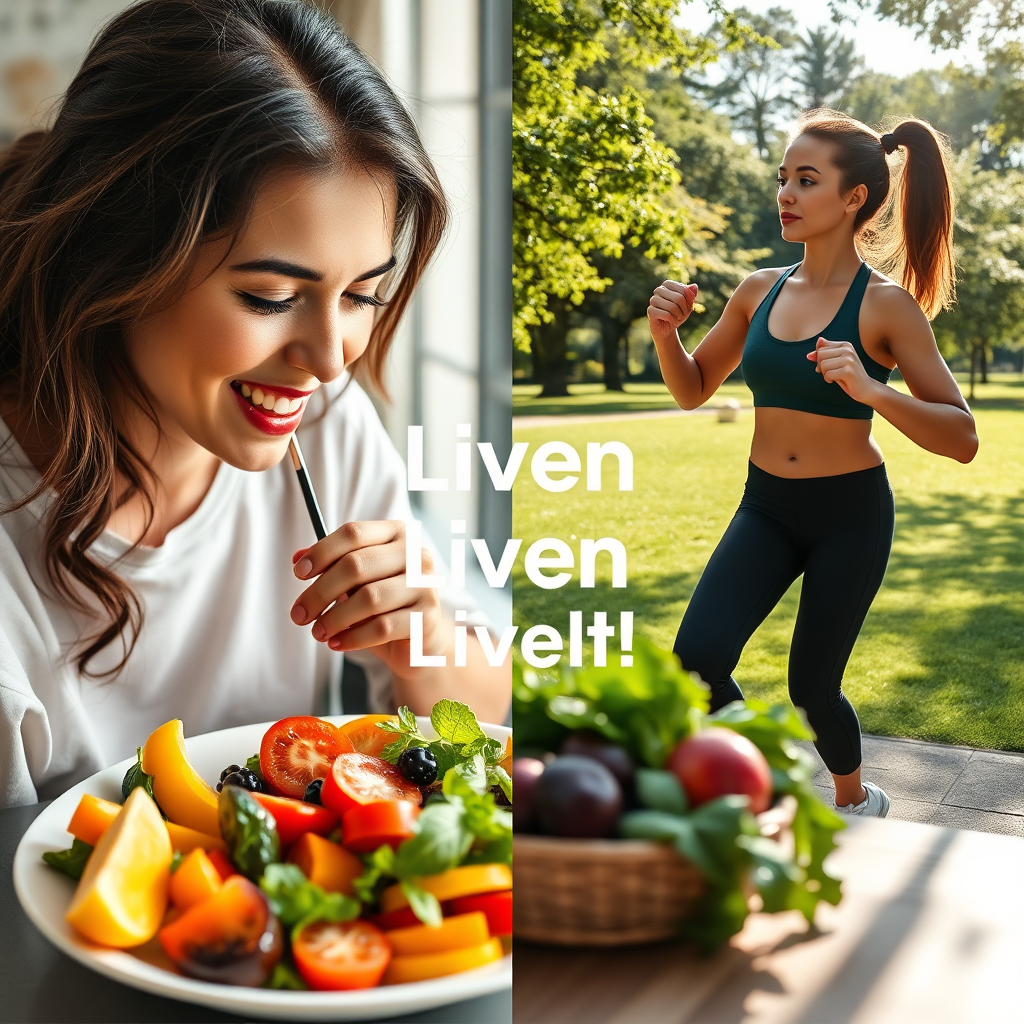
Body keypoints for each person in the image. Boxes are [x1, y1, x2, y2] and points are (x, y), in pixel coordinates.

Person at [0, 0, 509, 808]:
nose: (331, 357)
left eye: (361, 296)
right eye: (271, 297)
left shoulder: (324, 421)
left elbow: (493, 729)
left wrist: (429, 641)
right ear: (115, 256)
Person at [647, 109, 978, 817]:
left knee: (812, 688)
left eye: (806, 180)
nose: (785, 195)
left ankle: (856, 798)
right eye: (783, 178)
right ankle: (775, 779)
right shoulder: (757, 290)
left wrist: (869, 389)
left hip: (848, 515)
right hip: (766, 506)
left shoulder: (886, 307)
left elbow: (962, 437)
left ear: (854, 198)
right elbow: (691, 389)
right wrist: (665, 334)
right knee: (696, 659)